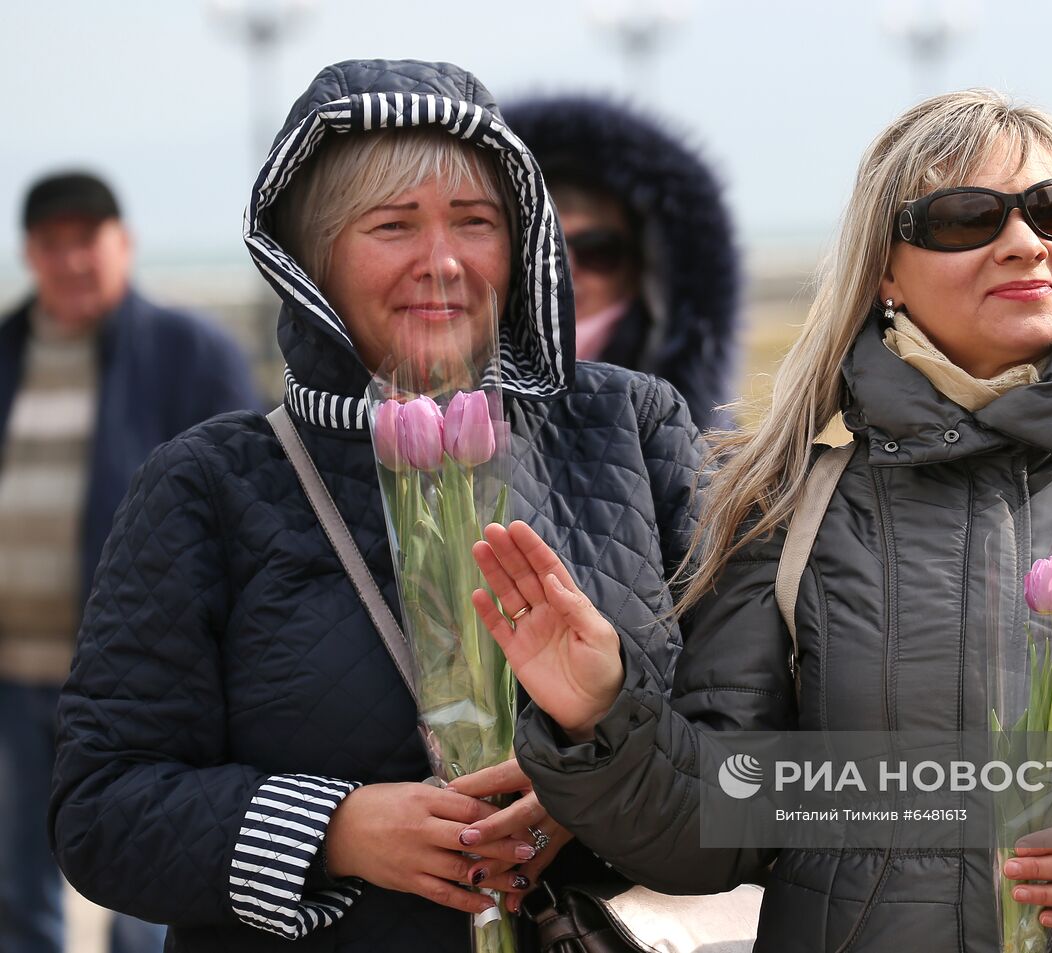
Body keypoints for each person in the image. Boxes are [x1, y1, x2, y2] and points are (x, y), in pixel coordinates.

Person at [474, 91, 1052, 952]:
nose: (1026, 242)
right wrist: (601, 715)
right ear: (885, 271)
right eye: (967, 218)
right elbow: (720, 826)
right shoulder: (791, 492)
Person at [48, 59, 703, 951]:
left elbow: (742, 763)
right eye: (393, 225)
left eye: (476, 223)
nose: (442, 261)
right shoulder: (210, 484)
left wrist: (589, 781)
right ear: (311, 262)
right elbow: (98, 808)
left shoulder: (629, 433)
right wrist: (335, 831)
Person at [0, 171, 258, 953]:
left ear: (125, 245)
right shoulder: (7, 352)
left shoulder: (192, 353)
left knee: (144, 887)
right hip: (14, 672)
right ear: (31, 254)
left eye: (89, 240)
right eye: (54, 244)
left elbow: (242, 517)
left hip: (138, 679)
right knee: (17, 884)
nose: (73, 259)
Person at [505, 95, 741, 429]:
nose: (564, 270)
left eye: (598, 250)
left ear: (644, 270)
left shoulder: (722, 464)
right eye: (540, 246)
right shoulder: (434, 441)